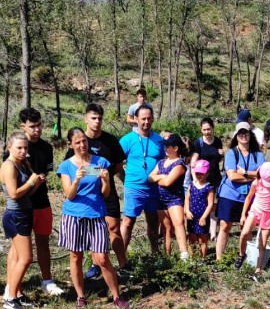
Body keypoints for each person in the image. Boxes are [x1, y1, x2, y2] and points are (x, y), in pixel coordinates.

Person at [57, 127, 129, 309]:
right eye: (78, 142)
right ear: (70, 145)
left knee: (102, 258)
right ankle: (81, 297)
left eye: (84, 141)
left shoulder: (100, 162)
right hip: (74, 216)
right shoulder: (66, 166)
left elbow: (105, 194)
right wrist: (76, 180)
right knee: (76, 257)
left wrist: (105, 180)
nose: (82, 145)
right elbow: (69, 195)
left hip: (96, 215)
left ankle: (116, 296)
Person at [71, 103, 127, 278]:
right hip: (87, 195)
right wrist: (96, 172)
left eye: (100, 118)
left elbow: (117, 166)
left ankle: (123, 265)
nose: (97, 122)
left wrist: (109, 178)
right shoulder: (79, 141)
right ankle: (96, 264)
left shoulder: (110, 141)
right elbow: (71, 167)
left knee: (114, 228)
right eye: (93, 118)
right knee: (92, 231)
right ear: (86, 119)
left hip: (107, 190)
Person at [17, 108, 63, 296]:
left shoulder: (46, 148)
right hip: (22, 204)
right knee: (19, 247)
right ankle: (14, 285)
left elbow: (46, 172)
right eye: (32, 126)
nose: (37, 130)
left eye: (39, 125)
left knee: (43, 241)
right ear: (23, 126)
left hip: (42, 201)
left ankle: (47, 280)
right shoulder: (17, 147)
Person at [0, 133, 46, 309]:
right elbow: (13, 194)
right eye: (19, 147)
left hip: (23, 212)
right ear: (9, 148)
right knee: (26, 258)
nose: (23, 151)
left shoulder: (22, 164)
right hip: (16, 214)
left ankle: (15, 293)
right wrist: (31, 182)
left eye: (25, 148)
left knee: (17, 256)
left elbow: (26, 195)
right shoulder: (9, 166)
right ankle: (11, 298)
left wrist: (36, 184)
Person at [119, 104, 165, 257]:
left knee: (153, 220)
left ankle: (154, 252)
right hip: (133, 187)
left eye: (148, 118)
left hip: (153, 189)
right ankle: (121, 257)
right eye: (143, 118)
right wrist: (125, 179)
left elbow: (165, 163)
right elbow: (116, 163)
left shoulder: (159, 141)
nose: (146, 122)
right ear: (136, 120)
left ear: (153, 119)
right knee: (128, 221)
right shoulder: (127, 140)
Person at [215, 122, 264, 263]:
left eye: (246, 132)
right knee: (225, 225)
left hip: (250, 196)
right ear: (236, 136)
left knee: (246, 227)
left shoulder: (258, 154)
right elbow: (232, 176)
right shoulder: (231, 153)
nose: (243, 135)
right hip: (229, 194)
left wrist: (244, 172)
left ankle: (245, 257)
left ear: (251, 134)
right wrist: (252, 176)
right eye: (240, 133)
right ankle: (220, 259)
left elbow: (263, 175)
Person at [149, 134, 190, 259]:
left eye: (168, 146)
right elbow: (150, 177)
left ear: (176, 148)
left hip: (174, 198)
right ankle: (167, 255)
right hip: (161, 199)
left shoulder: (179, 164)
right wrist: (161, 177)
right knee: (166, 228)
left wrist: (160, 179)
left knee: (178, 223)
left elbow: (168, 183)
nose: (165, 148)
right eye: (164, 146)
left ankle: (184, 254)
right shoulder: (161, 162)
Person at [189, 117, 224, 240]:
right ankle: (197, 228)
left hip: (215, 176)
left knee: (213, 204)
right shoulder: (198, 143)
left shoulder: (218, 141)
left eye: (209, 129)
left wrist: (222, 154)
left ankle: (212, 231)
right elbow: (193, 162)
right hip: (201, 178)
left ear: (213, 128)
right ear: (201, 130)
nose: (207, 132)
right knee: (199, 204)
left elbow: (219, 155)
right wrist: (195, 180)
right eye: (204, 130)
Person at [185, 160, 216, 258]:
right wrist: (187, 210)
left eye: (201, 173)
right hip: (191, 217)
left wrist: (203, 217)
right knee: (191, 239)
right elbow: (187, 198)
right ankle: (192, 258)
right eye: (197, 173)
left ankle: (202, 259)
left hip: (202, 217)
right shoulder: (192, 185)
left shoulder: (209, 187)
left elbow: (210, 204)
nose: (199, 175)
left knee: (202, 240)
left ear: (207, 173)